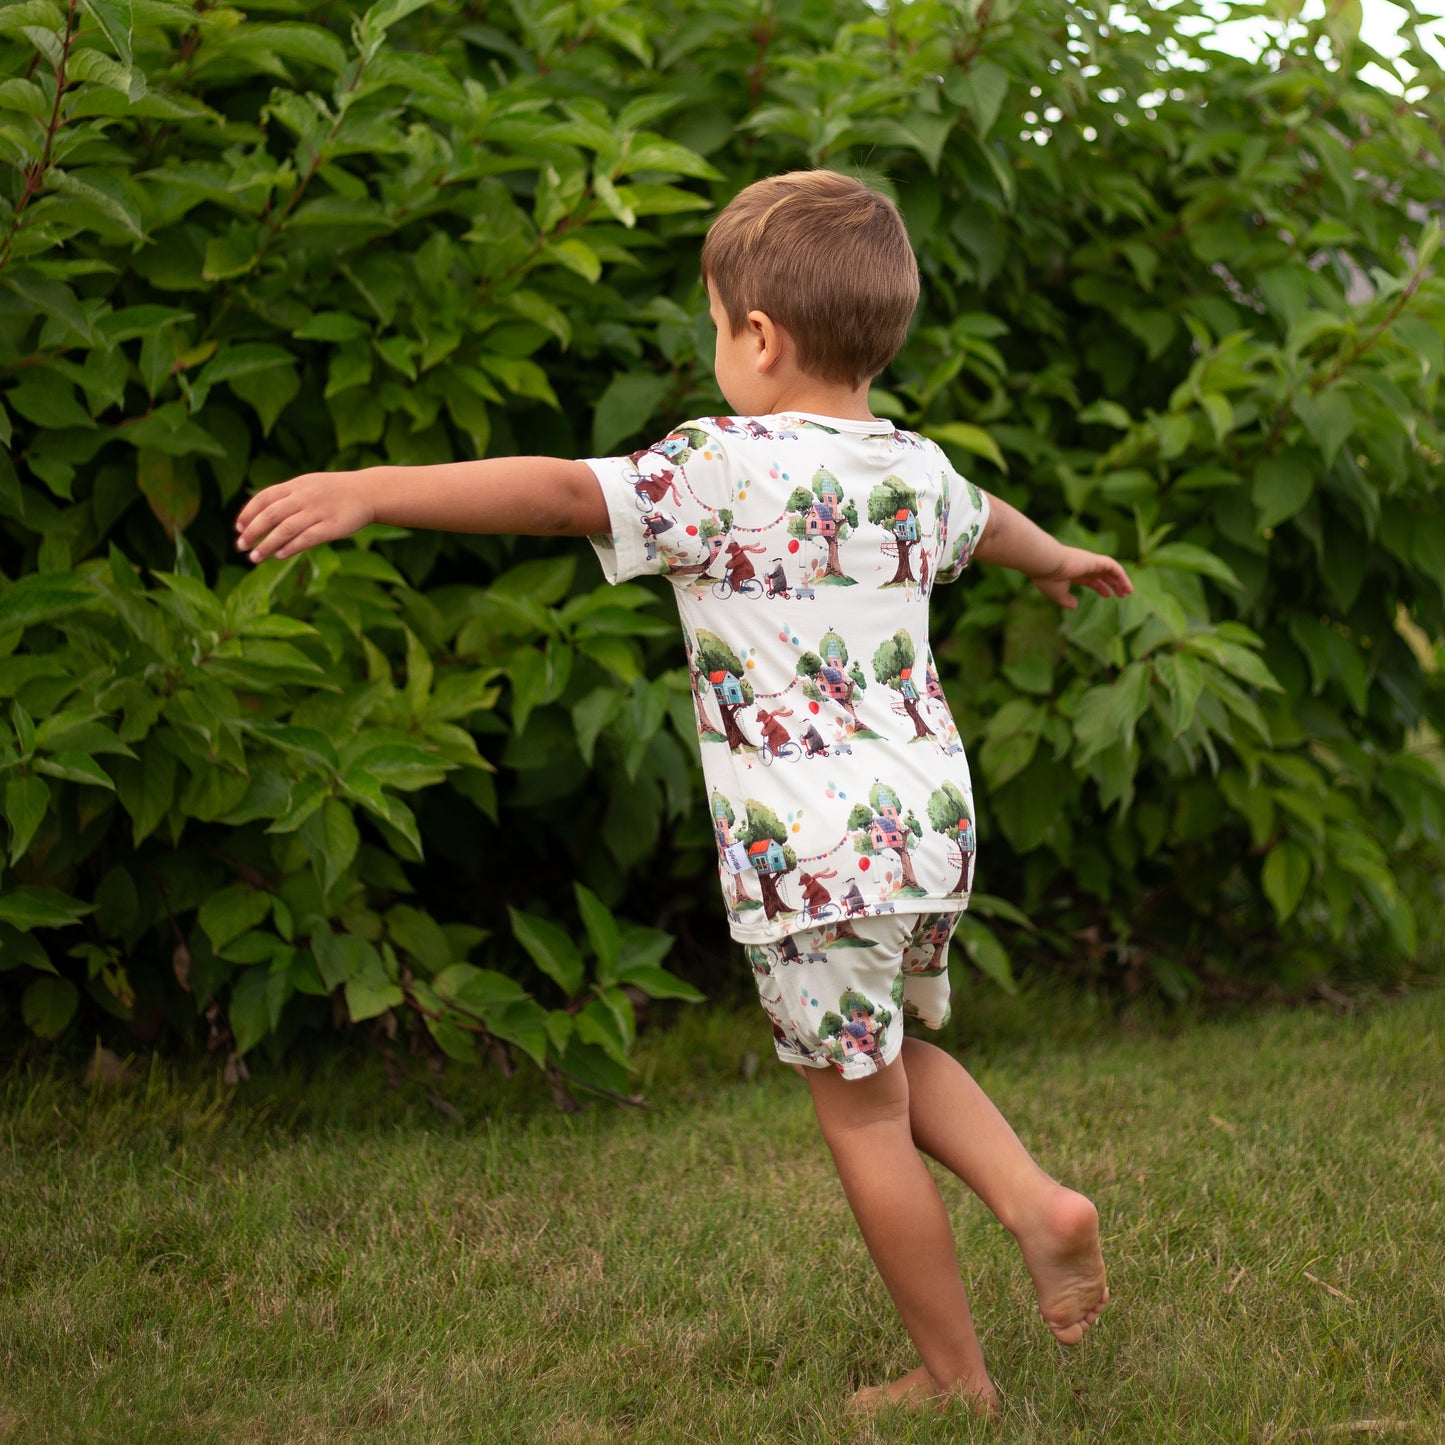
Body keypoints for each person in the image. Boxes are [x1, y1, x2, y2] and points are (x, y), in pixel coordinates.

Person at [234, 168, 1128, 1417]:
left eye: (713, 324)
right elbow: (992, 523)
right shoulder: (913, 466)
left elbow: (562, 493)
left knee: (859, 1114)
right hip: (925, 828)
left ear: (757, 336)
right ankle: (1034, 1201)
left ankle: (952, 1373)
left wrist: (374, 489)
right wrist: (1059, 559)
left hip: (810, 852)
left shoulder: (716, 465)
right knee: (882, 1051)